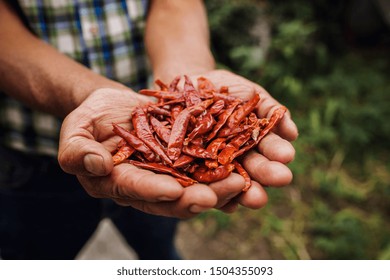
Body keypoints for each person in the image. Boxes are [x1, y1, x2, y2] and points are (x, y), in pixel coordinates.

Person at [0, 0, 298, 260]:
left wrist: (187, 74)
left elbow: (174, 3)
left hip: (147, 142)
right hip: (30, 158)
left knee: (159, 244)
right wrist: (85, 93)